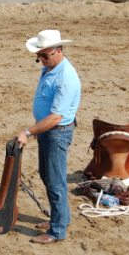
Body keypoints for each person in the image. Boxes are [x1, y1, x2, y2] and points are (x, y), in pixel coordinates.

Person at [17, 29, 81, 244]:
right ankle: (60, 217)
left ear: (59, 50)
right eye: (39, 56)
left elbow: (55, 118)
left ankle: (57, 231)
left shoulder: (66, 78)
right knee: (47, 176)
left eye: (45, 55)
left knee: (55, 181)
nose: (41, 60)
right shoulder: (51, 68)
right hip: (46, 132)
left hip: (56, 133)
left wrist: (28, 132)